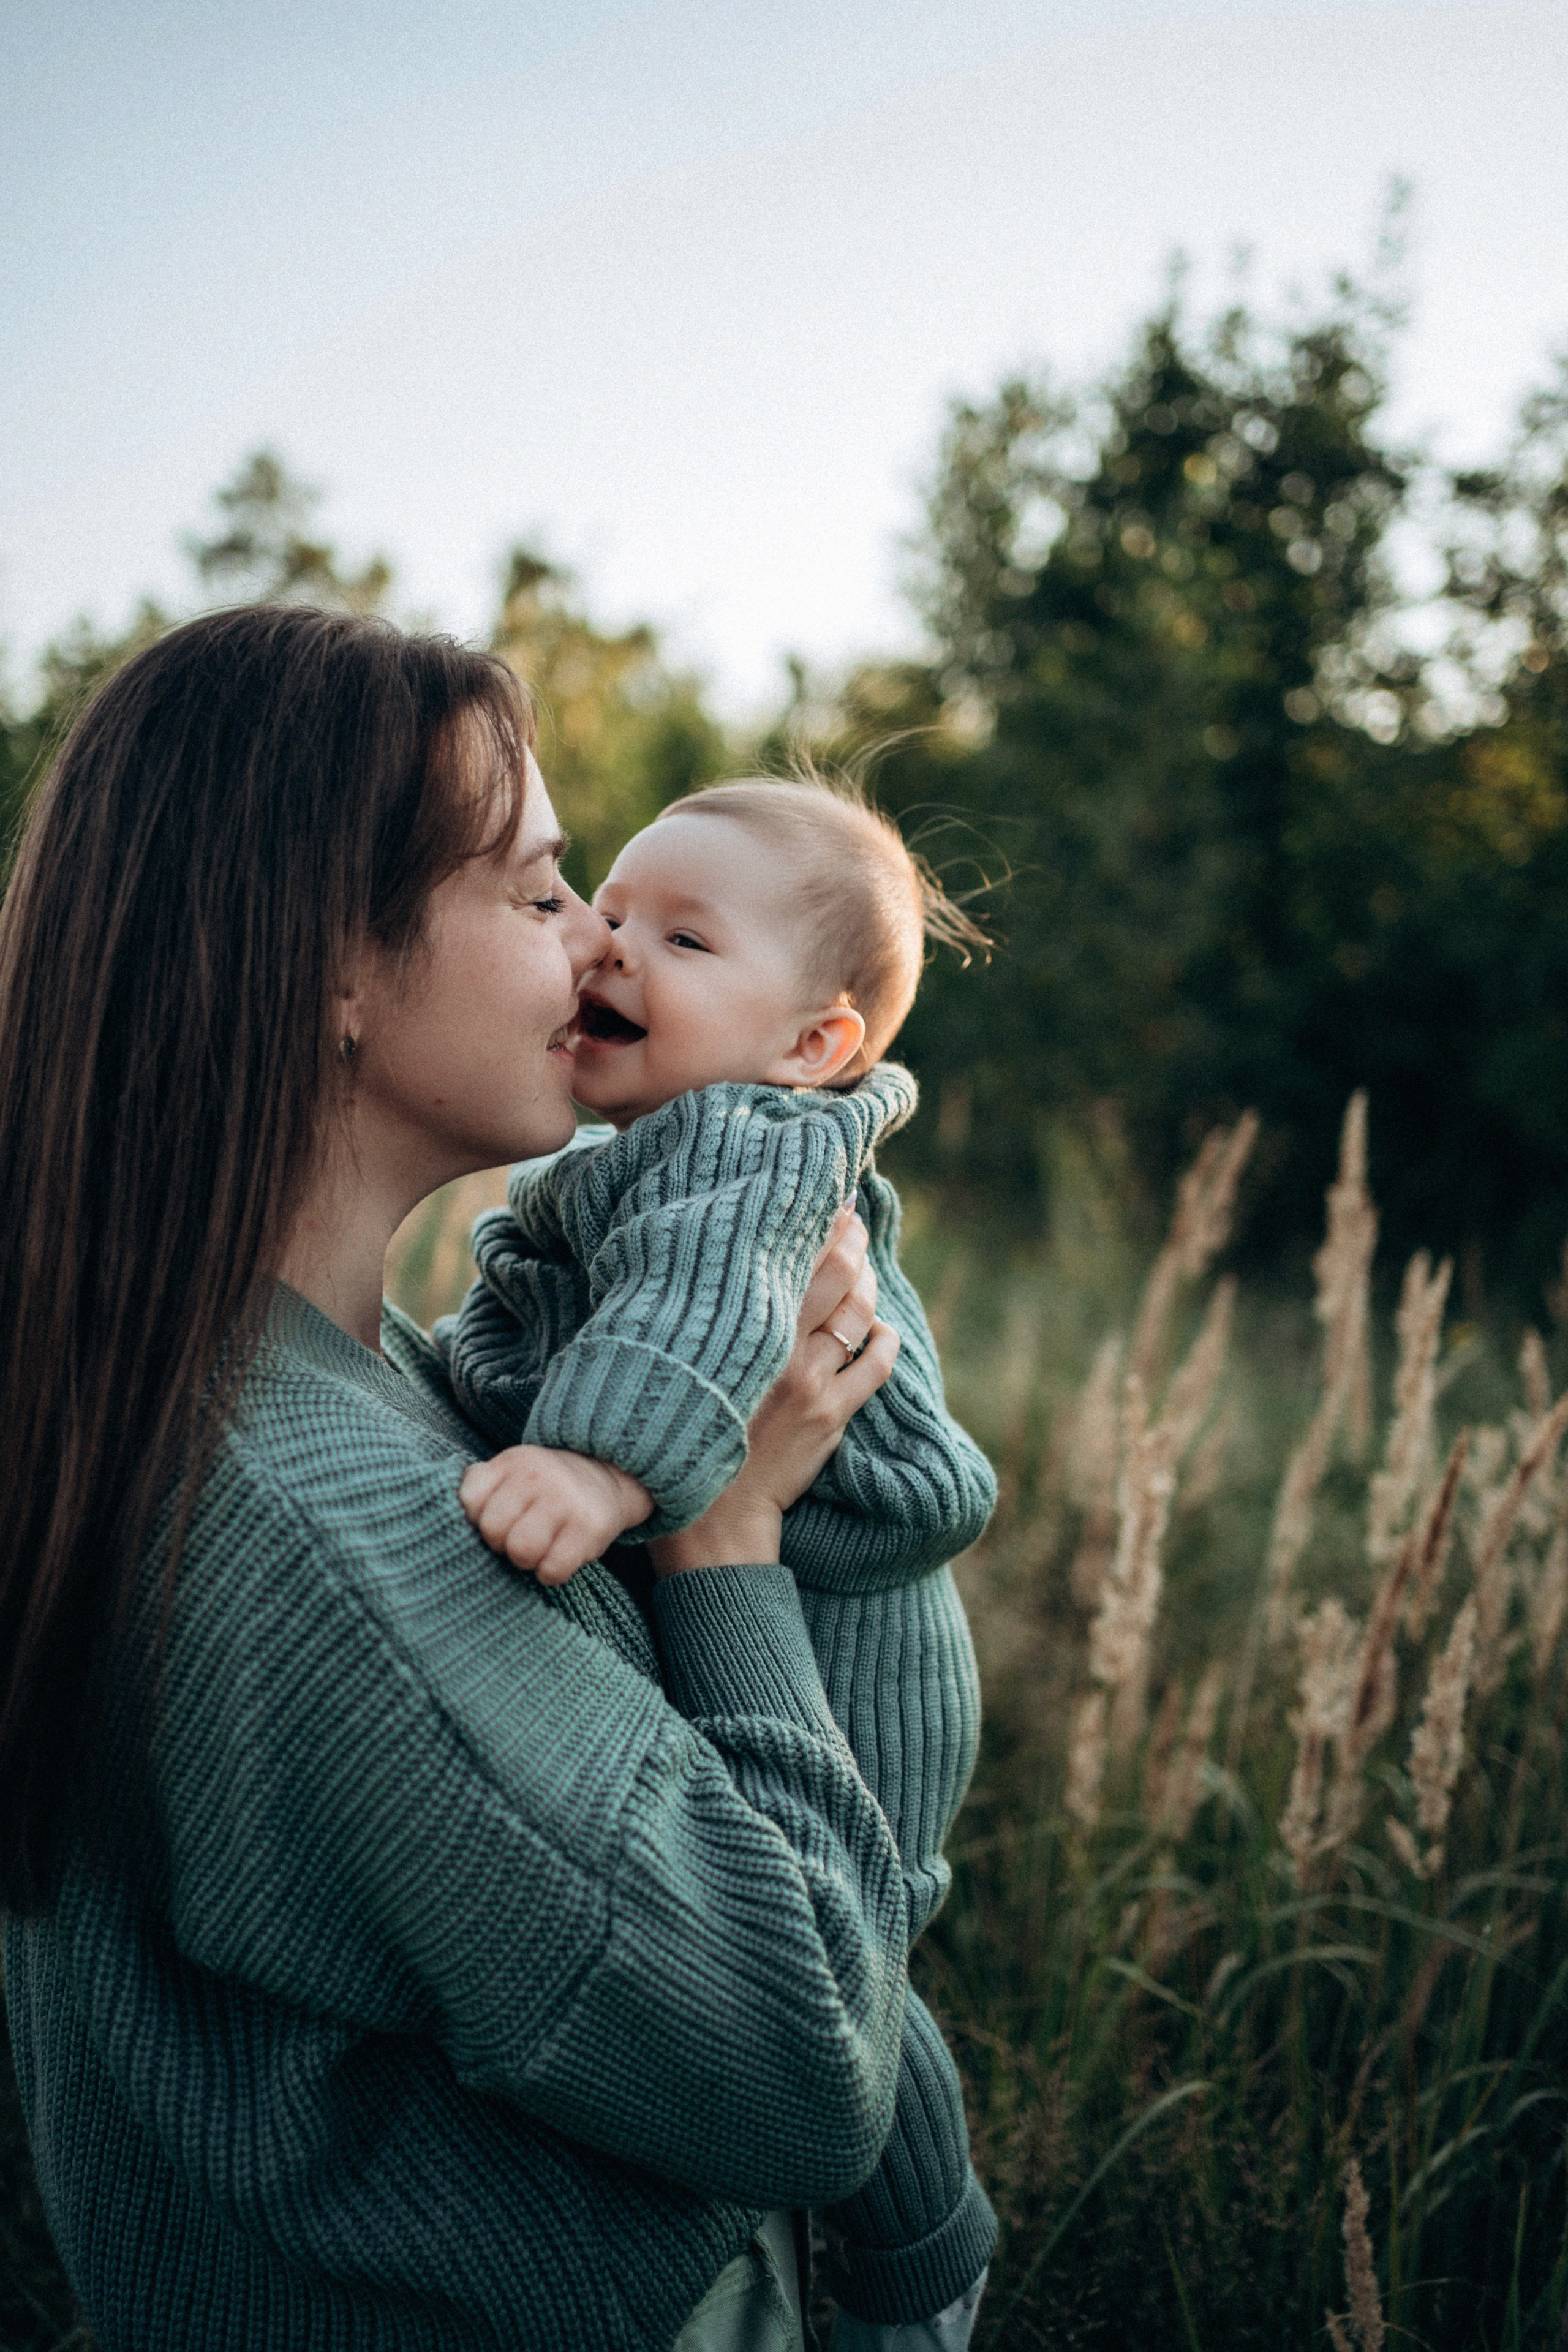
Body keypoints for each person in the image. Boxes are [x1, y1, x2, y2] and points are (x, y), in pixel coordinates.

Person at [0, 606, 927, 2352]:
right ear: (331, 969)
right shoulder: (325, 1525)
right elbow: (806, 2074)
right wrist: (728, 1544)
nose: (593, 943)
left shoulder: (324, 1379)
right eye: (537, 891)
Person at [443, 778, 999, 2343]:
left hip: (850, 1632)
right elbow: (518, 1316)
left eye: (683, 937)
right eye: (608, 911)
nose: (611, 949)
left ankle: (918, 2276)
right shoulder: (624, 1154)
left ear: (813, 1043)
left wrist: (599, 1464)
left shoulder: (752, 1144)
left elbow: (701, 1314)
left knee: (846, 1962)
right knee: (830, 1942)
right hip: (780, 1594)